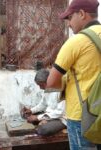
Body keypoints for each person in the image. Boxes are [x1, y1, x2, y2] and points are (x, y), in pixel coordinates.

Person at [46, 0, 101, 149]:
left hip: (82, 117)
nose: (69, 24)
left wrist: (65, 81)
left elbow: (51, 82)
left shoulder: (76, 42)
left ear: (82, 14)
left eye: (70, 18)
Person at [22, 69, 66, 136]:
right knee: (27, 116)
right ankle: (45, 121)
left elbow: (59, 113)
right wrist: (31, 111)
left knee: (43, 130)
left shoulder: (61, 90)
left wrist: (37, 118)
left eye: (41, 85)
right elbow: (42, 104)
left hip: (60, 119)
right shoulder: (47, 90)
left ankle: (46, 123)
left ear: (48, 81)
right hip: (50, 115)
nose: (40, 88)